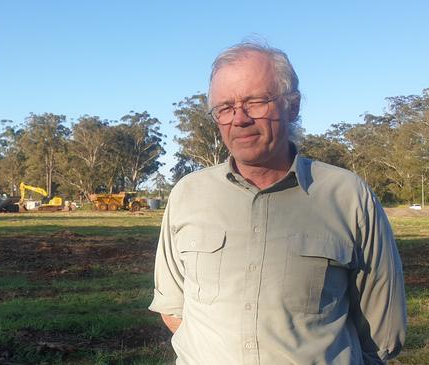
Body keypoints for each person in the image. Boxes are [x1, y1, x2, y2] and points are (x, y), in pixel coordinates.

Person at [149, 41, 406, 365]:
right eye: (225, 107)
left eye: (255, 102)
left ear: (292, 106)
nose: (238, 119)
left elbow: (382, 331)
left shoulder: (348, 196)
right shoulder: (187, 195)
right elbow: (173, 308)